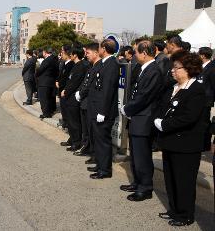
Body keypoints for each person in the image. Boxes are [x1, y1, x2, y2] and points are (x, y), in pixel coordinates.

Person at [154, 51, 208, 226]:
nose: (173, 71)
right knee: (170, 178)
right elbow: (165, 108)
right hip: (170, 141)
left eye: (176, 68)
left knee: (184, 180)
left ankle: (185, 215)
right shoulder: (174, 87)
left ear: (189, 69)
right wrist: (159, 120)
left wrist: (165, 125)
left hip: (186, 144)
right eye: (173, 68)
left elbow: (188, 117)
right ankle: (174, 209)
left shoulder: (196, 89)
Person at [120, 40, 163, 201]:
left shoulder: (153, 71)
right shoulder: (145, 69)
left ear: (144, 53)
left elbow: (144, 97)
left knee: (142, 157)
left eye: (137, 52)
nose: (135, 55)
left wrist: (127, 109)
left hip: (144, 120)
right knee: (136, 155)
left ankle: (145, 188)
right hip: (137, 118)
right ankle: (137, 182)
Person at [87, 39, 119, 179]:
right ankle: (100, 165)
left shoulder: (111, 64)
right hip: (97, 108)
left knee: (103, 141)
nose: (99, 50)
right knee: (98, 140)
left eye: (100, 47)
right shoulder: (105, 63)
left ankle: (105, 170)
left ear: (104, 49)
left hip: (103, 111)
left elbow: (107, 90)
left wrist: (103, 111)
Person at [73, 43, 101, 163]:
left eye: (88, 53)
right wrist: (80, 92)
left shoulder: (99, 66)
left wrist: (81, 93)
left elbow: (90, 84)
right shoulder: (91, 65)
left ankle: (93, 153)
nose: (86, 55)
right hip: (84, 100)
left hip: (91, 101)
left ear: (96, 52)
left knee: (92, 131)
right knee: (87, 129)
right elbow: (86, 81)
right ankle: (88, 149)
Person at [60, 44, 88, 152]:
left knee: (74, 122)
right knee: (70, 120)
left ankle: (76, 142)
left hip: (73, 98)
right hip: (69, 96)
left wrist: (66, 91)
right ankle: (72, 139)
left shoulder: (81, 66)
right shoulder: (75, 65)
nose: (70, 55)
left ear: (76, 55)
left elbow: (75, 82)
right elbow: (70, 80)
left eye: (71, 54)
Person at [35, 47, 59, 119]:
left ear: (45, 52)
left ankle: (46, 113)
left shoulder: (47, 60)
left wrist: (36, 73)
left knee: (44, 99)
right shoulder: (55, 59)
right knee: (50, 98)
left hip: (44, 82)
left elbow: (40, 70)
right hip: (51, 81)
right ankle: (50, 111)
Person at [56, 45, 74, 129]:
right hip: (61, 90)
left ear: (67, 53)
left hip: (66, 91)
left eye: (62, 52)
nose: (61, 54)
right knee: (63, 108)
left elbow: (68, 79)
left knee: (66, 109)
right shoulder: (64, 63)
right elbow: (60, 75)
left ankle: (66, 123)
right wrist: (57, 81)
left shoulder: (71, 64)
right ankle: (64, 122)